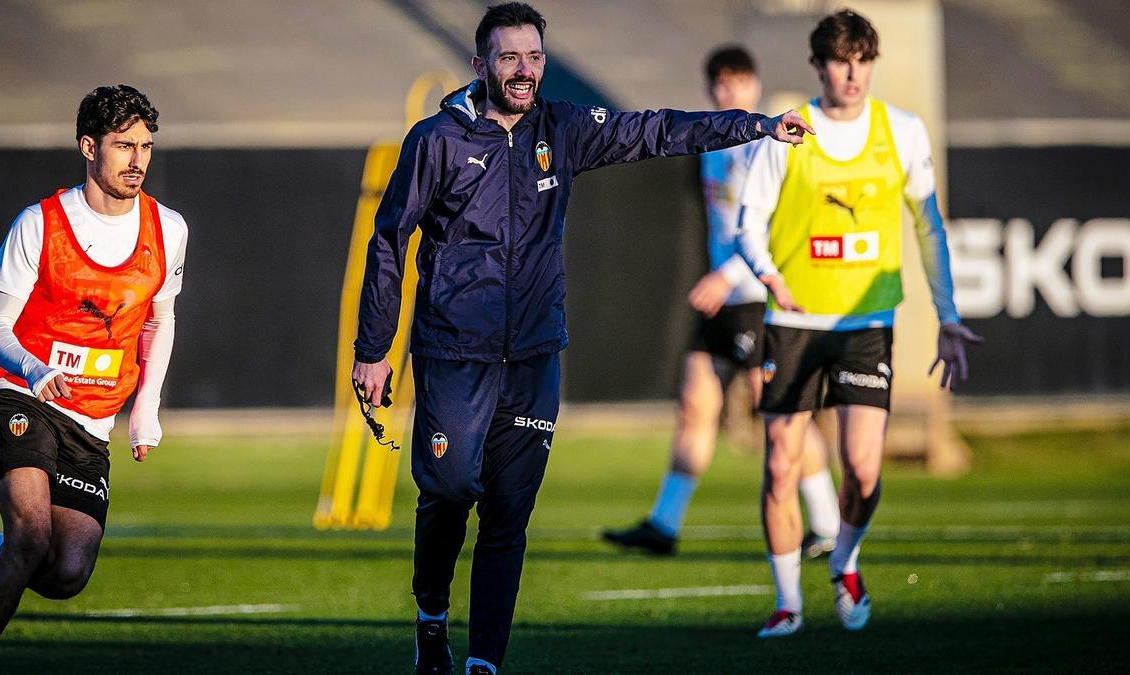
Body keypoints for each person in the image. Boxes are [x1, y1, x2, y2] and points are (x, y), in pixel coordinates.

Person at [349, 4, 812, 672]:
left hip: (535, 353)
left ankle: (483, 661)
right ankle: (430, 618)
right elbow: (389, 240)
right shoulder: (437, 140)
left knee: (508, 512)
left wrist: (756, 125)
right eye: (509, 57)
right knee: (450, 488)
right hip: (454, 351)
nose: (524, 70)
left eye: (534, 57)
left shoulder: (562, 128)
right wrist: (373, 348)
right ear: (481, 65)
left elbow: (656, 130)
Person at [735, 10, 982, 638]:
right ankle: (787, 600)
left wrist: (948, 316)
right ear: (819, 65)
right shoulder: (790, 132)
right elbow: (747, 222)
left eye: (863, 60)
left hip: (867, 322)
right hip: (793, 322)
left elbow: (929, 227)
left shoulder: (900, 131)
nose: (854, 73)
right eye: (841, 60)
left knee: (864, 468)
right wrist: (768, 273)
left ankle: (844, 561)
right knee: (781, 464)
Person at [0, 85, 188, 674]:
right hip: (22, 390)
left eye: (146, 146)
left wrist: (146, 407)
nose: (138, 160)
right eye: (124, 145)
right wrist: (34, 367)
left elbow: (160, 319)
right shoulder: (39, 224)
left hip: (92, 417)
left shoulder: (168, 229)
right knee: (28, 535)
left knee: (65, 572)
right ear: (88, 147)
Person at [602, 46, 840, 559]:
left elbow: (778, 230)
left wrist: (728, 273)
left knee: (780, 413)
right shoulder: (713, 143)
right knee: (696, 406)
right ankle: (664, 525)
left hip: (756, 297)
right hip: (722, 302)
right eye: (721, 86)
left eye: (739, 83)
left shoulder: (771, 142)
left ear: (754, 86)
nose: (730, 94)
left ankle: (827, 522)